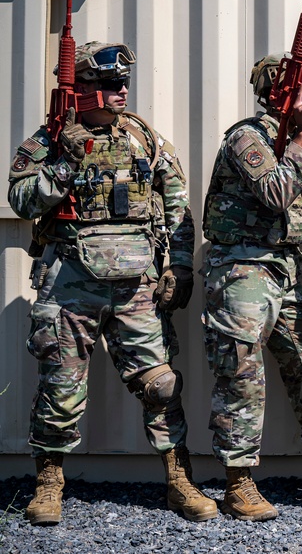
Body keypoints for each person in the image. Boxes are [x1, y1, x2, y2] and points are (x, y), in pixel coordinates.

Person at [8, 41, 215, 526]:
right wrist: (66, 163)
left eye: (124, 84)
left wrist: (179, 267)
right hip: (71, 285)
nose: (122, 91)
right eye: (109, 85)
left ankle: (178, 477)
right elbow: (20, 198)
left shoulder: (144, 138)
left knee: (160, 384)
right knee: (61, 384)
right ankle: (49, 482)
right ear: (83, 90)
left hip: (138, 285)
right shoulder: (51, 139)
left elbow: (178, 205)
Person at [201, 52, 302, 521]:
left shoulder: (294, 142)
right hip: (242, 269)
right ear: (279, 93)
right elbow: (273, 191)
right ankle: (238, 484)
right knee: (241, 376)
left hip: (284, 270)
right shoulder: (248, 136)